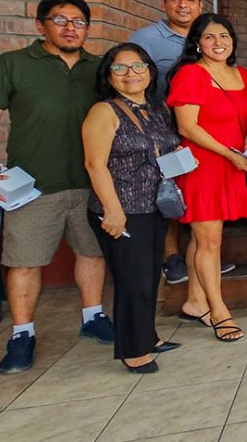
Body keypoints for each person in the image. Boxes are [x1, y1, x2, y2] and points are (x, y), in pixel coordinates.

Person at [0, 0, 113, 375]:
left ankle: (93, 317)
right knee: (24, 261)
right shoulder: (13, 64)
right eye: (60, 20)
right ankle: (22, 334)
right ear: (40, 25)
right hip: (32, 186)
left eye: (79, 22)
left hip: (92, 181)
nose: (71, 28)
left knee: (92, 252)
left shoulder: (99, 68)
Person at [83, 44, 182, 373]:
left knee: (150, 275)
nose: (131, 74)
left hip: (153, 207)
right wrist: (112, 210)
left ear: (150, 72)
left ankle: (148, 336)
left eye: (138, 67)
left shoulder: (156, 108)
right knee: (132, 280)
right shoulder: (104, 111)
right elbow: (95, 165)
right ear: (109, 76)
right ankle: (134, 349)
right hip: (121, 208)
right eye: (121, 68)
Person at [129, 0, 229, 286]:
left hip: (202, 135)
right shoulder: (146, 39)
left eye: (190, 0)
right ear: (163, 3)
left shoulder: (208, 38)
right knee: (169, 191)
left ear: (200, 5)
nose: (183, 5)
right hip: (164, 132)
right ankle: (172, 257)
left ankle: (203, 253)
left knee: (198, 197)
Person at [167, 14, 247, 342]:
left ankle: (194, 300)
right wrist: (230, 153)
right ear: (196, 42)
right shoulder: (191, 74)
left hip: (233, 164)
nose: (218, 42)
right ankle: (219, 311)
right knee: (209, 240)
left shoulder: (242, 75)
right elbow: (187, 126)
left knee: (203, 239)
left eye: (224, 36)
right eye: (209, 37)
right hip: (204, 165)